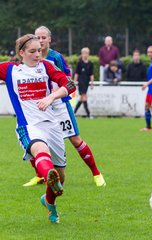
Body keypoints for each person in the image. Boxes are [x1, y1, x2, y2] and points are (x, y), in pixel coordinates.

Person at [0, 34, 76, 223]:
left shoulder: (47, 66)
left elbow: (70, 84)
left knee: (61, 176)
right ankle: (48, 173)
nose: (37, 55)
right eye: (32, 51)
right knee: (41, 150)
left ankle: (49, 201)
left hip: (52, 126)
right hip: (29, 126)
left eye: (40, 51)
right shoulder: (10, 70)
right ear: (21, 53)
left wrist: (51, 97)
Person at [22, 26, 106, 187]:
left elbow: (67, 80)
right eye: (37, 37)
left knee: (75, 140)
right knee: (34, 141)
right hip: (40, 107)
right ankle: (40, 175)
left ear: (49, 40)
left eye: (43, 38)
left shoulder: (56, 58)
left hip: (59, 105)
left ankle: (96, 173)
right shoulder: (31, 57)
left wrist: (56, 92)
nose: (40, 40)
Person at [74, 47, 94, 117]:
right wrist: (74, 82)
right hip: (81, 82)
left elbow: (91, 74)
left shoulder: (90, 63)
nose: (85, 55)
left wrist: (92, 83)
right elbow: (76, 73)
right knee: (84, 96)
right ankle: (88, 114)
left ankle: (74, 113)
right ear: (82, 54)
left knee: (82, 98)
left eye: (86, 53)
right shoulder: (80, 63)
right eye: (84, 53)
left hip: (86, 82)